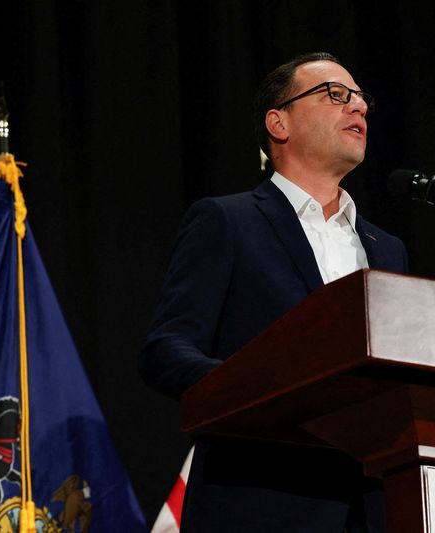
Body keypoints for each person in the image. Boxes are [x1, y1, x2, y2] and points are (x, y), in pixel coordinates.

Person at [140, 52, 408, 532]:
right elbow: (167, 350)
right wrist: (268, 392)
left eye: (362, 99)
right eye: (335, 95)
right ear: (278, 123)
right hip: (262, 503)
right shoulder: (228, 221)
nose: (359, 108)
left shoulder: (386, 248)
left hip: (373, 509)